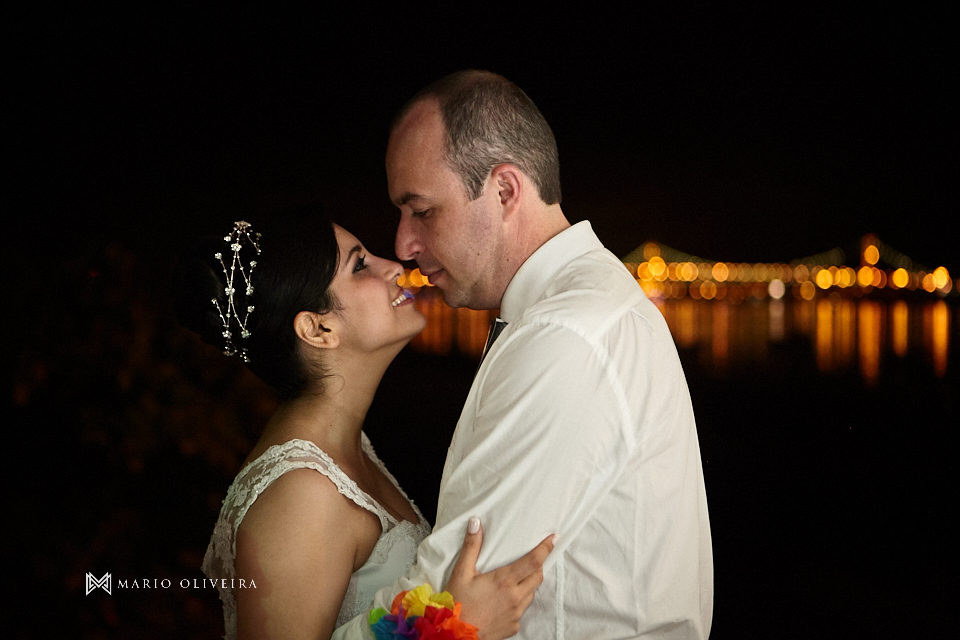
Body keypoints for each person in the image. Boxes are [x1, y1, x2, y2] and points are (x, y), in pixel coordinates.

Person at [336, 71, 713, 638]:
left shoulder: (564, 337)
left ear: (505, 191)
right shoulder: (574, 312)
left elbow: (444, 601)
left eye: (423, 210)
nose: (403, 244)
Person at [173, 205, 554, 640]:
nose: (394, 267)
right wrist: (460, 626)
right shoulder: (300, 493)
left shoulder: (348, 449)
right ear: (318, 330)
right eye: (360, 266)